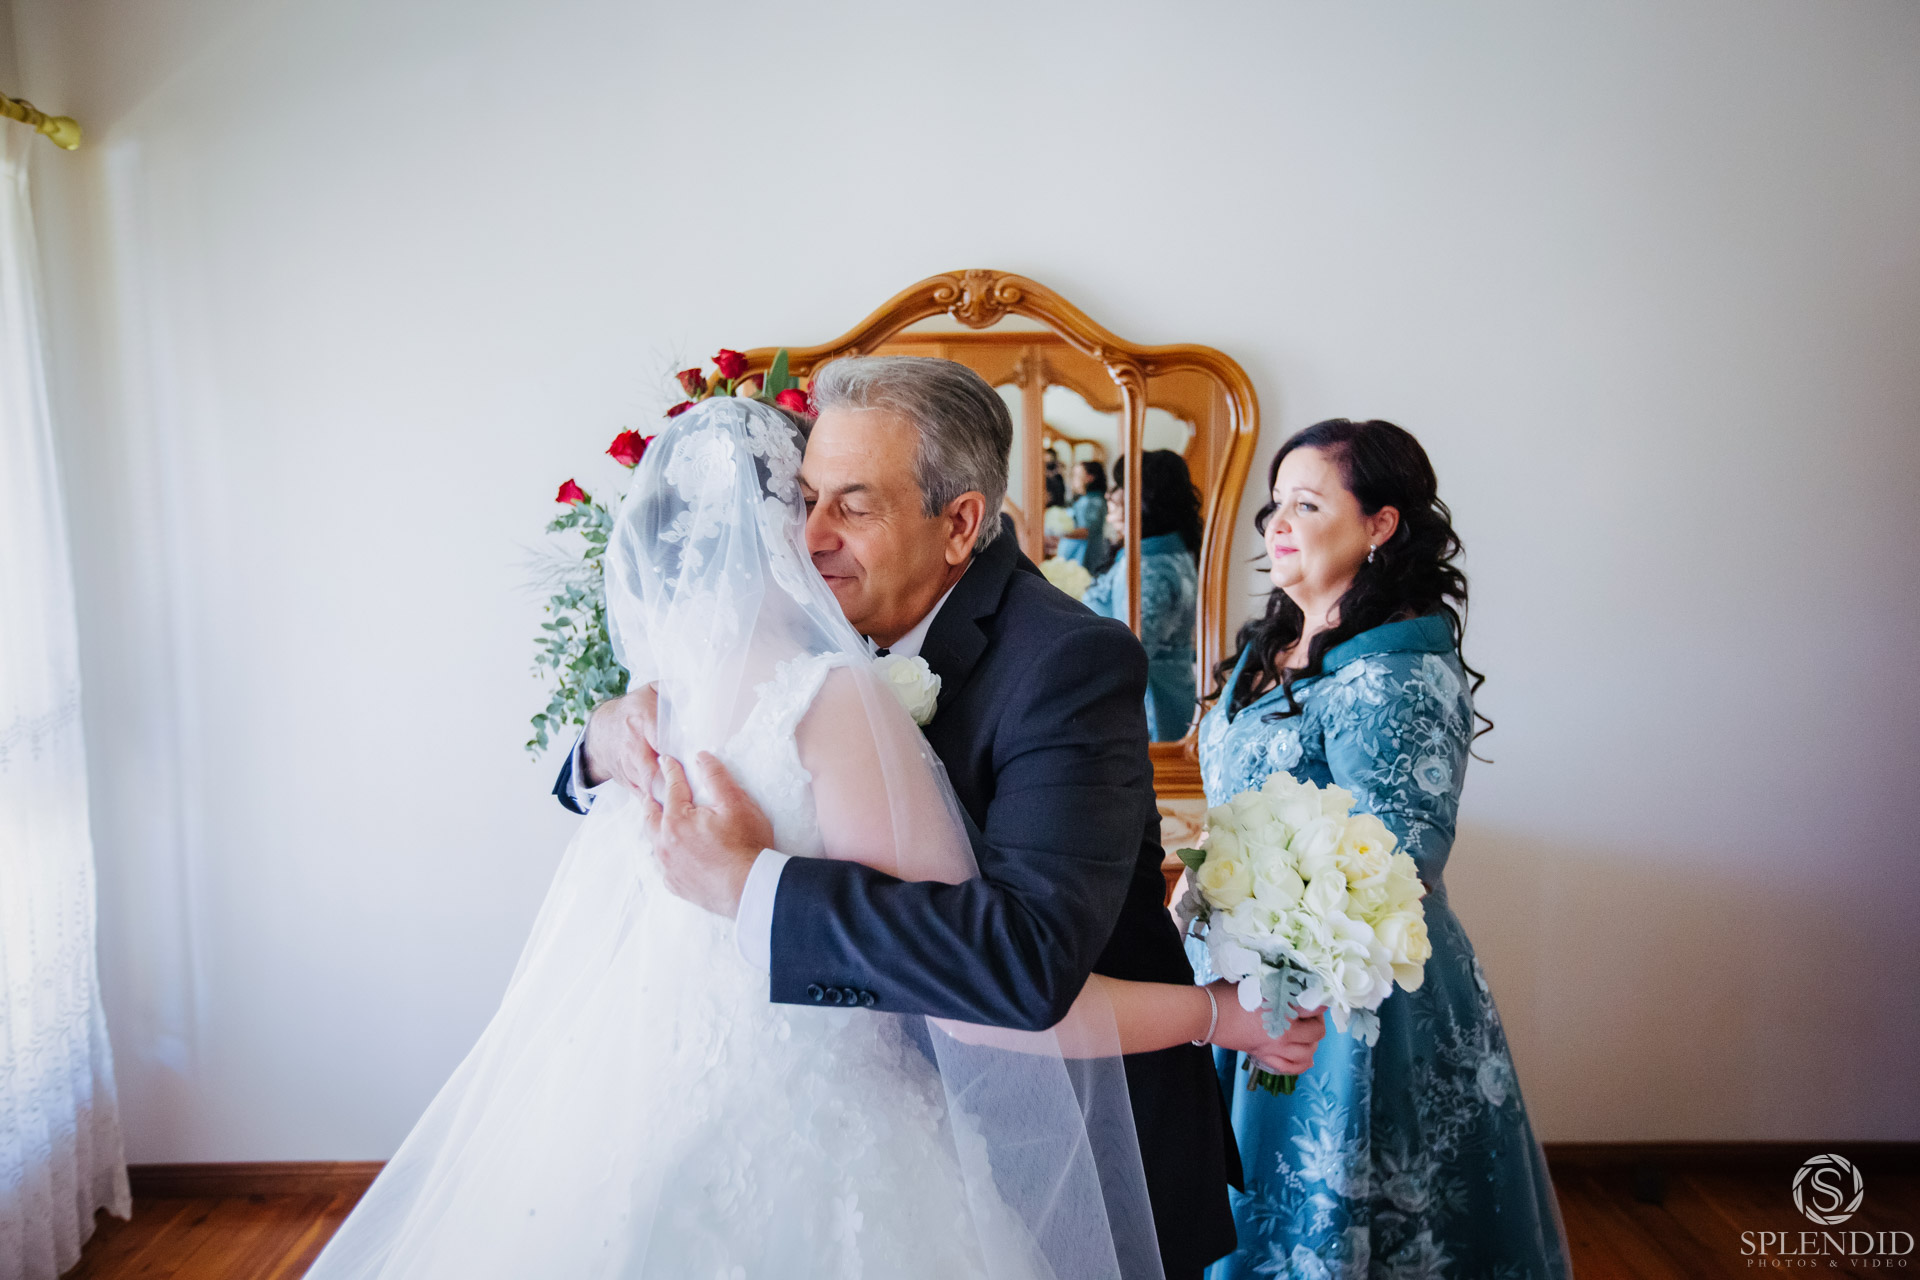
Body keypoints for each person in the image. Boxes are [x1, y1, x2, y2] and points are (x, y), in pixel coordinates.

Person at [306, 396, 1320, 1280]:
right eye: (804, 501)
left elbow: (1008, 969)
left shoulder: (1052, 662)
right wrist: (598, 743)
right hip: (799, 1124)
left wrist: (754, 881)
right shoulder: (740, 689)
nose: (819, 531)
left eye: (850, 503)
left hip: (1043, 1138)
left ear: (960, 523)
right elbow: (605, 767)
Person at [1195, 419, 1571, 1280]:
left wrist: (1272, 928)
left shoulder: (1396, 671)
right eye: (1275, 505)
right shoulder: (1270, 648)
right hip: (1245, 964)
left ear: (1380, 524)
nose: (1277, 523)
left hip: (1350, 993)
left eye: (1306, 504)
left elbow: (1399, 860)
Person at [1083, 451, 1201, 742]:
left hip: (1146, 713)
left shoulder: (1148, 569)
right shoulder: (1170, 553)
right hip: (1167, 700)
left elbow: (1126, 657)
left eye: (1120, 485)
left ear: (1145, 497)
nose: (1110, 496)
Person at [1056, 458, 1109, 572]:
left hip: (1083, 556)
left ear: (1090, 478)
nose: (1073, 480)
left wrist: (1059, 532)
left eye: (1076, 475)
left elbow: (1086, 531)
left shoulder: (1092, 502)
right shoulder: (1084, 500)